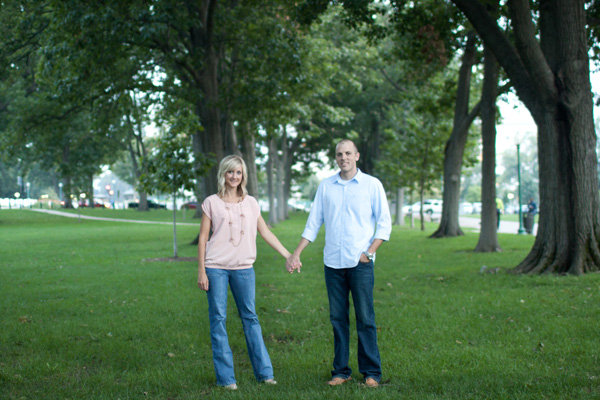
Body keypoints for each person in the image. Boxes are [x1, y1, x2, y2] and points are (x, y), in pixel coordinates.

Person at [286, 139, 391, 388]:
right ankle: (341, 371)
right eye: (338, 154)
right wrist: (296, 253)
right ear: (335, 158)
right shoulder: (326, 187)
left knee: (365, 317)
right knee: (338, 319)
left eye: (347, 153)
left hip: (360, 263)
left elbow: (384, 223)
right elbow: (313, 223)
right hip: (332, 264)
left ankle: (371, 373)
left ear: (356, 156)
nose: (343, 157)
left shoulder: (371, 185)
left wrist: (370, 252)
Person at [197, 155, 295, 390]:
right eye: (230, 172)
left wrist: (288, 255)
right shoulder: (211, 202)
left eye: (238, 172)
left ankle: (265, 374)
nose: (234, 176)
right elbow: (203, 237)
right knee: (218, 320)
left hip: (244, 269)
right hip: (216, 267)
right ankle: (226, 379)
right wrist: (201, 270)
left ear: (243, 175)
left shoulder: (251, 203)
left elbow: (265, 232)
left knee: (251, 319)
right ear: (223, 174)